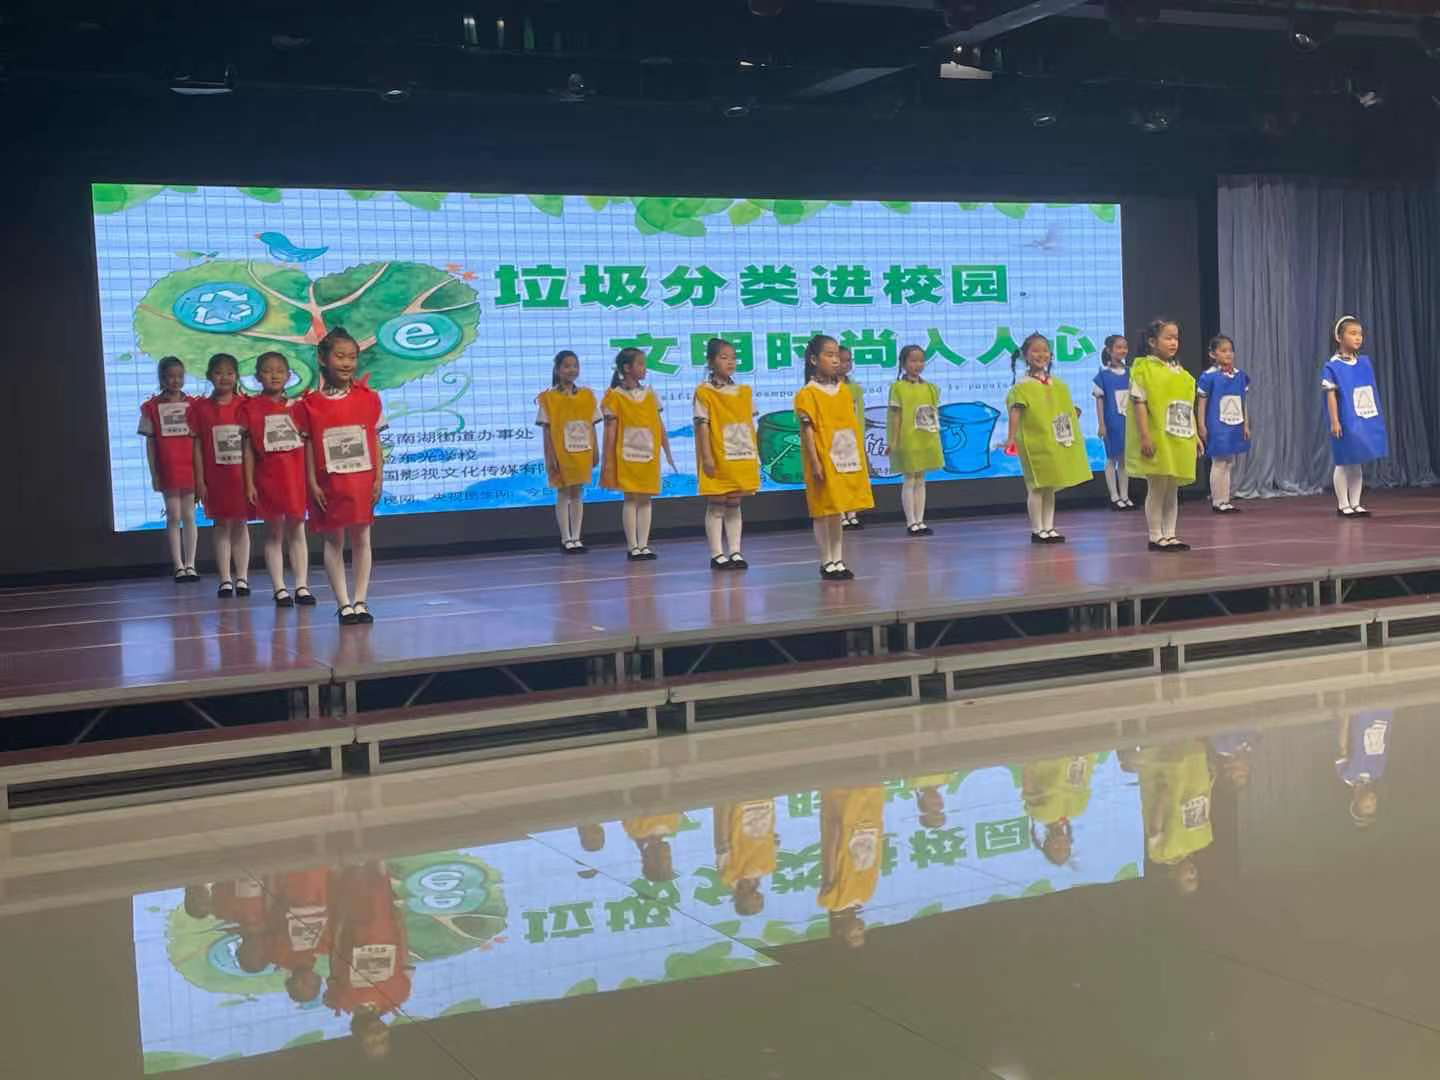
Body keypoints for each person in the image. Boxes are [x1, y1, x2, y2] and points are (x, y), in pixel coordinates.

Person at [301, 327, 384, 625]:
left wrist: (378, 478)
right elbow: (309, 445)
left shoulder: (370, 398)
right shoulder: (310, 404)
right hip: (329, 482)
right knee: (333, 540)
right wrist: (312, 482)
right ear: (323, 359)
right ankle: (343, 603)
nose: (347, 363)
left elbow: (375, 440)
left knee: (362, 537)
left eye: (352, 357)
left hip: (362, 479)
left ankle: (360, 600)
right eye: (340, 356)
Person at [795, 334, 874, 580]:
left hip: (845, 458)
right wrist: (815, 462)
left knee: (838, 511)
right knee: (823, 511)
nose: (835, 360)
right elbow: (808, 431)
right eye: (829, 355)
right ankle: (826, 560)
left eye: (837, 355)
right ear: (814, 360)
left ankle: (838, 559)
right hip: (822, 459)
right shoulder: (808, 393)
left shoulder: (844, 391)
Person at [241, 351, 313, 607]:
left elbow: (308, 443)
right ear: (258, 376)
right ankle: (279, 588)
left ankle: (302, 586)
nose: (274, 375)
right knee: (274, 532)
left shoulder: (298, 406)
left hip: (295, 477)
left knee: (297, 529)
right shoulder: (249, 408)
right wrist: (249, 482)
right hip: (267, 478)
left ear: (289, 376)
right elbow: (248, 449)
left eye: (280, 371)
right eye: (268, 370)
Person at [1005, 332, 1091, 544]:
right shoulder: (1022, 385)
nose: (1041, 355)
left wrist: (1073, 414)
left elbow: (1061, 409)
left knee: (1050, 486)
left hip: (1053, 441)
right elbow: (1015, 411)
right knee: (1036, 486)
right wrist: (1011, 438)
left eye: (1045, 351)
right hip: (1034, 442)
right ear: (1026, 355)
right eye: (1035, 351)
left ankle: (1049, 526)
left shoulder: (1057, 384)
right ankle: (1037, 529)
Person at [1127, 317, 1200, 552]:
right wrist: (1145, 436)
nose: (1173, 342)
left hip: (1178, 437)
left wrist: (1195, 435)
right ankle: (1155, 535)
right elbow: (1139, 404)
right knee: (1157, 487)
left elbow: (1186, 406)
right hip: (1158, 437)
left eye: (1176, 338)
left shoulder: (1181, 372)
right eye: (1168, 338)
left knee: (1172, 488)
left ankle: (1170, 534)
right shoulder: (1143, 369)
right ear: (1152, 341)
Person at [601, 347, 676, 560]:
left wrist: (667, 451)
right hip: (627, 455)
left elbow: (659, 425)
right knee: (631, 499)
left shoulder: (650, 394)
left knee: (645, 499)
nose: (644, 368)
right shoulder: (614, 396)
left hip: (648, 455)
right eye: (640, 364)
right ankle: (632, 546)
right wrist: (608, 460)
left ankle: (644, 545)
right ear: (627, 368)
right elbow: (610, 431)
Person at [188, 353, 252, 597]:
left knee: (241, 523)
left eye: (229, 373)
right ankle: (225, 578)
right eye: (218, 372)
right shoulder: (200, 409)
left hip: (241, 476)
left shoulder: (245, 405)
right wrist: (199, 480)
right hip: (215, 478)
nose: (224, 377)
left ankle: (242, 578)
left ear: (236, 376)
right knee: (221, 525)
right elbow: (197, 446)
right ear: (209, 376)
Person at [694, 338, 759, 569]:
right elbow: (702, 426)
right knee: (717, 503)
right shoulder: (704, 392)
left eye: (733, 358)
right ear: (711, 362)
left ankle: (735, 551)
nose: (730, 362)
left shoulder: (744, 391)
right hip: (718, 455)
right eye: (724, 357)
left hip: (741, 455)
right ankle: (717, 554)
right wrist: (707, 457)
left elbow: (751, 425)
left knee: (734, 502)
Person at [138, 356, 200, 581]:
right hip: (168, 467)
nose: (176, 381)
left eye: (180, 376)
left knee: (189, 515)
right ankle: (178, 565)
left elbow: (199, 440)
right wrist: (154, 473)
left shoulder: (194, 405)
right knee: (173, 515)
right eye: (170, 377)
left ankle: (191, 564)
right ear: (162, 378)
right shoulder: (151, 407)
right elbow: (150, 443)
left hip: (190, 466)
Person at [536, 350, 600, 553]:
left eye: (575, 365)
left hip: (582, 450)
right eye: (567, 366)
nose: (572, 370)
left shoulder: (587, 395)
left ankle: (576, 537)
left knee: (578, 492)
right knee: (564, 492)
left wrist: (596, 450)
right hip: (561, 452)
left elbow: (592, 425)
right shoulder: (548, 398)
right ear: (557, 369)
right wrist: (550, 455)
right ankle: (566, 538)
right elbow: (547, 430)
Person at [1324, 315, 1387, 518]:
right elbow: (1331, 396)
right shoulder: (1332, 366)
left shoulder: (1364, 363)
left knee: (1357, 462)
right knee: (1343, 461)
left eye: (1360, 334)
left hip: (1361, 417)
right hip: (1345, 419)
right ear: (1339, 338)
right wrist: (1335, 421)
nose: (1358, 337)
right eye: (1352, 333)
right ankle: (1343, 504)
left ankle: (1356, 503)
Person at [818, 787, 885, 949]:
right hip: (870, 827)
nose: (861, 930)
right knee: (872, 785)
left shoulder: (831, 902)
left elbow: (830, 861)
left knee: (847, 788)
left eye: (855, 935)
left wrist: (834, 834)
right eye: (863, 934)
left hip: (846, 828)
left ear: (840, 932)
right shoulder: (865, 896)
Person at [887, 344, 943, 535]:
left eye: (921, 360)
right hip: (908, 438)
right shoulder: (897, 388)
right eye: (913, 360)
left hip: (926, 438)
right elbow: (895, 416)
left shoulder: (930, 387)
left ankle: (920, 520)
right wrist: (894, 441)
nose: (918, 364)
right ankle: (911, 521)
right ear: (903, 363)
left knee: (921, 479)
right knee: (910, 478)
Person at [1195, 334, 1252, 514]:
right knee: (1219, 462)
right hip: (1217, 424)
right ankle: (1217, 500)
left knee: (1229, 462)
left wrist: (1246, 424)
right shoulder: (1208, 377)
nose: (1228, 354)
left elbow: (1243, 403)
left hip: (1235, 423)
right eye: (1223, 350)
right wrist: (1201, 425)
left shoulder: (1240, 376)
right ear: (1213, 354)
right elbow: (1202, 403)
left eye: (1230, 350)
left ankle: (1226, 500)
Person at [1022, 754, 1098, 866]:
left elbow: (1028, 780)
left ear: (1046, 844)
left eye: (1057, 849)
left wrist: (1030, 757)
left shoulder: (1040, 815)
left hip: (1047, 752)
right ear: (1070, 844)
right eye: (1066, 849)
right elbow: (1087, 772)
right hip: (1081, 751)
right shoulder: (1078, 810)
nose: (1062, 845)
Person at [1092, 335, 1135, 511]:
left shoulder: (1131, 373)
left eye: (1125, 347)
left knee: (1124, 460)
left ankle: (1125, 495)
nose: (1122, 351)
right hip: (1112, 422)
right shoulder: (1103, 375)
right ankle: (1114, 496)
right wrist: (1101, 424)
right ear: (1109, 350)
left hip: (1128, 422)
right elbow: (1099, 401)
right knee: (1111, 458)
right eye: (1118, 347)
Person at [713, 799, 777, 916]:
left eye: (755, 903)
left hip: (739, 803)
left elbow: (722, 842)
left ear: (740, 899)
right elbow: (773, 836)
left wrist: (724, 803)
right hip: (765, 801)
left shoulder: (728, 874)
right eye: (760, 901)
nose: (759, 898)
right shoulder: (767, 867)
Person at [1336, 711, 1389, 828]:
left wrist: (1346, 718)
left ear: (1356, 802)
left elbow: (1342, 746)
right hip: (1384, 714)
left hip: (1361, 714)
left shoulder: (1347, 775)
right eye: (1375, 805)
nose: (1373, 802)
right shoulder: (1378, 773)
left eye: (1368, 806)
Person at [838, 345, 865, 529]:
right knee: (839, 477)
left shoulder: (855, 387)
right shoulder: (828, 388)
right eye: (842, 360)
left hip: (854, 437)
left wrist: (860, 435)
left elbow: (859, 413)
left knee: (854, 475)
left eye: (849, 360)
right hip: (837, 438)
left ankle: (852, 513)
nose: (846, 364)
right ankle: (840, 513)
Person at [622, 813, 682, 883]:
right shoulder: (636, 832)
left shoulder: (672, 825)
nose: (669, 853)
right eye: (669, 858)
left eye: (666, 858)